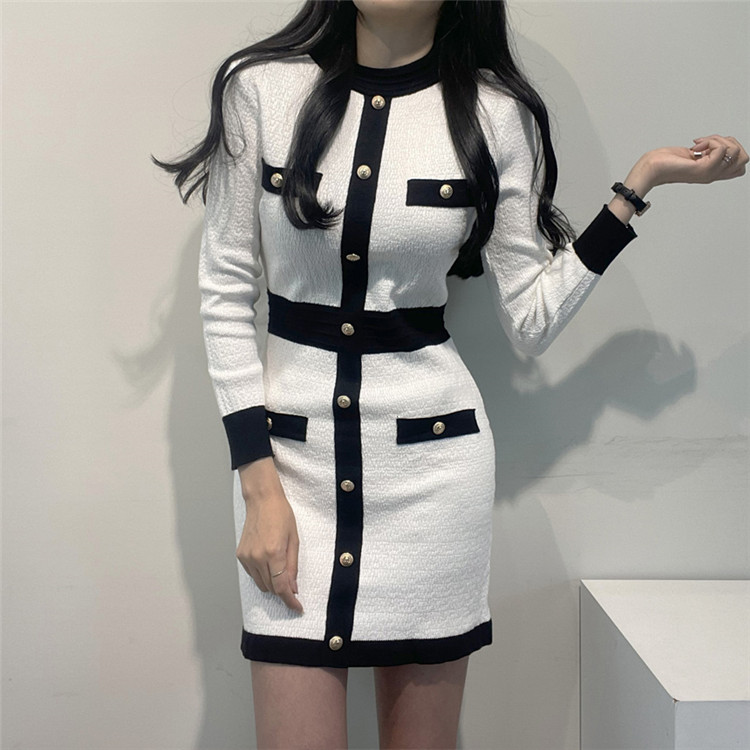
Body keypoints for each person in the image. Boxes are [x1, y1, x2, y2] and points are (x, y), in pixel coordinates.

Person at [153, 1, 747, 747]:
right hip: (289, 476)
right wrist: (259, 487)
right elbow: (225, 291)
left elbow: (532, 317)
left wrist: (637, 187)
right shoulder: (261, 89)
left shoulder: (495, 115)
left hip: (433, 478)